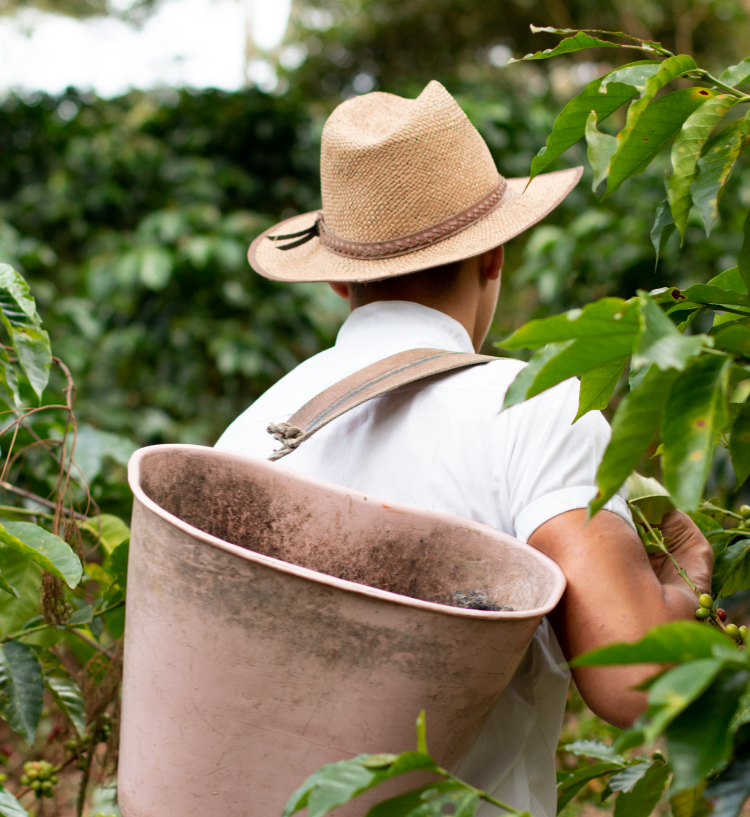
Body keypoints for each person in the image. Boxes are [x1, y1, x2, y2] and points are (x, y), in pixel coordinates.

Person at [214, 80, 714, 817]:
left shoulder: (247, 436)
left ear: (338, 282)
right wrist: (689, 582)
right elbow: (632, 675)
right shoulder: (536, 406)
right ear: (494, 257)